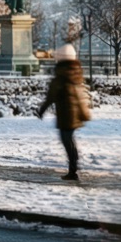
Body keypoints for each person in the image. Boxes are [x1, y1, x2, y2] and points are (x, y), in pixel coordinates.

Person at [37, 44, 91, 181]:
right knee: (69, 140)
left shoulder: (61, 75)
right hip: (74, 112)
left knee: (67, 141)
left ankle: (73, 170)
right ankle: (74, 167)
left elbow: (51, 97)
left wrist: (42, 110)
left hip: (67, 114)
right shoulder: (75, 71)